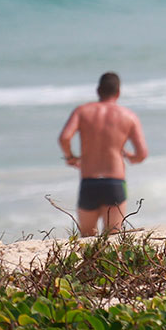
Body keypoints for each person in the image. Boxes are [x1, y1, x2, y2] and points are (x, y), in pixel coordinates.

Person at [58, 72, 148, 237]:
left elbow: (64, 137)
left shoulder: (82, 111)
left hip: (89, 182)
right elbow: (142, 154)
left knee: (87, 239)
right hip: (115, 182)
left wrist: (71, 157)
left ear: (98, 90)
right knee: (113, 238)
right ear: (118, 92)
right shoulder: (128, 116)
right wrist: (129, 156)